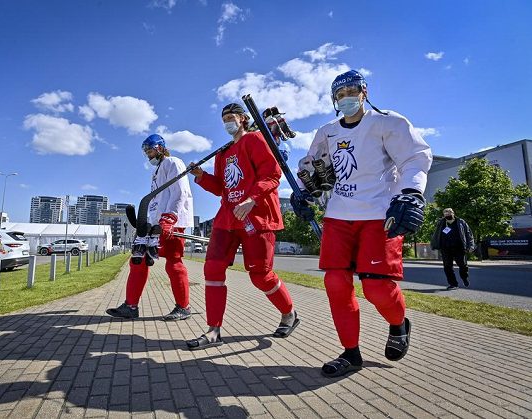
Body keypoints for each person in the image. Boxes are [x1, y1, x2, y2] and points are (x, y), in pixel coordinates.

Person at [291, 70, 433, 377]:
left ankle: (398, 323)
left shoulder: (388, 123)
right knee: (335, 283)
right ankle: (351, 353)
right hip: (339, 215)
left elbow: (415, 157)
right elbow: (312, 167)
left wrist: (411, 194)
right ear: (334, 100)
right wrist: (302, 194)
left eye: (352, 91)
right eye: (340, 95)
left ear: (364, 92)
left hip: (380, 213)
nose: (346, 98)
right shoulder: (326, 131)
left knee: (377, 287)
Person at [185, 103, 300, 350]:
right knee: (213, 268)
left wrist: (251, 199)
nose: (227, 121)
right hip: (227, 218)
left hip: (256, 216)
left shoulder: (256, 140)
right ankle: (213, 330)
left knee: (261, 276)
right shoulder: (223, 153)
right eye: (224, 118)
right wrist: (201, 176)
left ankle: (289, 313)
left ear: (243, 118)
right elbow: (221, 188)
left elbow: (271, 175)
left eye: (231, 117)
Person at [106, 134, 194, 321]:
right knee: (138, 260)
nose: (148, 154)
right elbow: (157, 201)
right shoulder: (156, 171)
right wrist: (146, 223)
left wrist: (170, 218)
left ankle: (184, 307)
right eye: (146, 151)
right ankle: (130, 306)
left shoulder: (173, 162)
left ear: (160, 147)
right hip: (155, 224)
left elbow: (181, 192)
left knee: (173, 262)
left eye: (150, 149)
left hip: (172, 222)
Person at [430, 208, 475, 289]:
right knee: (447, 266)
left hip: (459, 247)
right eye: (445, 213)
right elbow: (436, 234)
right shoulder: (441, 222)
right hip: (445, 248)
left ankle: (464, 277)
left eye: (449, 213)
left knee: (462, 265)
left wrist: (471, 245)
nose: (447, 215)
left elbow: (469, 234)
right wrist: (434, 244)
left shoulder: (461, 222)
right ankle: (453, 284)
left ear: (453, 213)